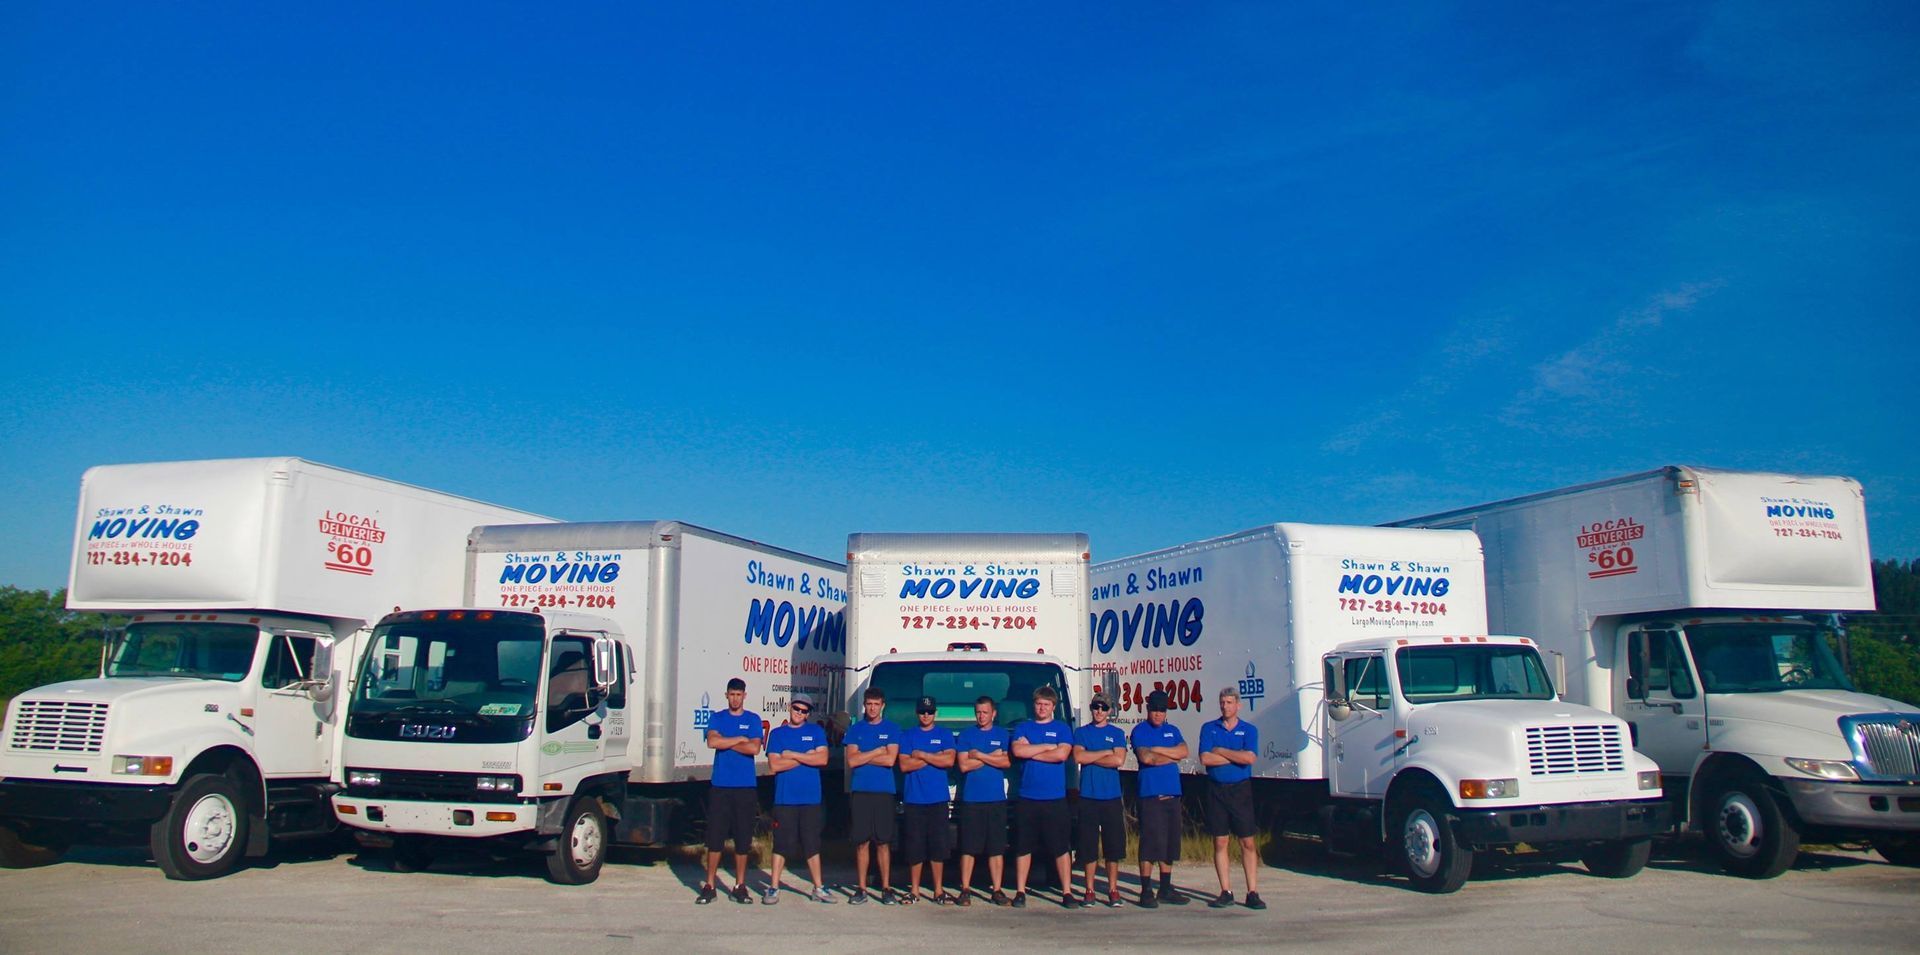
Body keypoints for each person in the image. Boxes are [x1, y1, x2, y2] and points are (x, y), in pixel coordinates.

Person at [698, 677, 763, 904]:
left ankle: (739, 885)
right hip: (721, 786)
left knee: (742, 839)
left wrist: (728, 741)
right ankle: (710, 885)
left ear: (745, 695)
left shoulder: (753, 719)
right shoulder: (717, 717)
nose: (735, 698)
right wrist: (738, 739)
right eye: (732, 694)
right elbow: (712, 742)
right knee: (715, 838)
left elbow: (754, 747)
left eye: (739, 694)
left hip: (745, 787)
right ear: (726, 695)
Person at [1010, 685, 1076, 908]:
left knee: (1060, 847)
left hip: (1054, 798)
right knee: (1023, 847)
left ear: (1053, 707)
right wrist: (1047, 747)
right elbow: (1018, 752)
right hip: (1028, 797)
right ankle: (1020, 891)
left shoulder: (1062, 728)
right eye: (1038, 704)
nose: (1042, 708)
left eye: (1046, 705)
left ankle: (1066, 892)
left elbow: (1062, 755)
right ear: (1034, 704)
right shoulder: (1023, 727)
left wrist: (1034, 750)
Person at [764, 693, 833, 904]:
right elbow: (774, 765)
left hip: (810, 799)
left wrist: (792, 755)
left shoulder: (816, 731)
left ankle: (818, 888)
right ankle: (774, 887)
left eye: (804, 711)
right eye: (796, 709)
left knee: (812, 844)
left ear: (808, 714)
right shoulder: (777, 734)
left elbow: (822, 758)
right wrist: (806, 756)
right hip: (785, 799)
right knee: (782, 845)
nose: (799, 713)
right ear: (790, 707)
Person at [1199, 686, 1264, 910]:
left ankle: (1252, 892)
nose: (1225, 707)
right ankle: (1225, 890)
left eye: (1229, 703)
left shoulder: (1248, 730)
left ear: (1238, 705)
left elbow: (1249, 758)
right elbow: (1206, 758)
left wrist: (1222, 751)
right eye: (1222, 703)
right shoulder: (1209, 728)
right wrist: (1235, 757)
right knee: (1220, 841)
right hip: (1217, 789)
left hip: (1240, 790)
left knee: (1247, 841)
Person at [1130, 689, 1190, 908]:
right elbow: (1147, 758)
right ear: (1148, 709)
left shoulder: (1172, 730)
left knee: (1170, 843)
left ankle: (1165, 887)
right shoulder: (1140, 731)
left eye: (1162, 710)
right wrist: (1169, 756)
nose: (1158, 714)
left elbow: (1184, 751)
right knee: (1150, 843)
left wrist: (1158, 751)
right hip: (1150, 794)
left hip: (1172, 793)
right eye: (1154, 709)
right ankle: (1146, 889)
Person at [843, 685, 902, 904]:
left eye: (877, 704)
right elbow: (852, 761)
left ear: (883, 706)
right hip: (861, 792)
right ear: (864, 705)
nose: (873, 708)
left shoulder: (893, 729)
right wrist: (878, 750)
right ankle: (862, 888)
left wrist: (865, 755)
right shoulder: (856, 730)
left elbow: (890, 760)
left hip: (884, 792)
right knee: (861, 842)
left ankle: (886, 887)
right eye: (869, 704)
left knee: (884, 842)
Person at [898, 695, 957, 904]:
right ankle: (914, 890)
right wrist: (934, 758)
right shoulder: (907, 736)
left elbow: (949, 760)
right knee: (915, 848)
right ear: (917, 713)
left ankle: (938, 890)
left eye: (930, 711)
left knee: (938, 847)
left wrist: (921, 755)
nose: (926, 715)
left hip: (937, 799)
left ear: (935, 713)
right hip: (914, 799)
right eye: (922, 711)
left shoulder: (944, 734)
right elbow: (904, 765)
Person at [955, 695, 1012, 906]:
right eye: (978, 712)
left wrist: (978, 755)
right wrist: (991, 757)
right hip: (972, 799)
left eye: (985, 712)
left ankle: (997, 889)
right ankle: (965, 889)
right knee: (968, 847)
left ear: (994, 713)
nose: (981, 716)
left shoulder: (1002, 734)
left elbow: (1006, 762)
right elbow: (963, 766)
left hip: (996, 799)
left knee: (996, 848)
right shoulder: (966, 735)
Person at [1072, 692, 1128, 907]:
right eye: (1096, 707)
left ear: (1110, 711)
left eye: (1104, 708)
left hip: (1111, 796)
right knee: (1088, 846)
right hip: (1088, 796)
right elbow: (1079, 757)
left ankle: (1113, 889)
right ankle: (1089, 889)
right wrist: (1104, 753)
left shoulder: (1117, 733)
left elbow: (1118, 759)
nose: (1099, 711)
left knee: (1113, 847)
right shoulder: (1082, 732)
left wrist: (1093, 756)